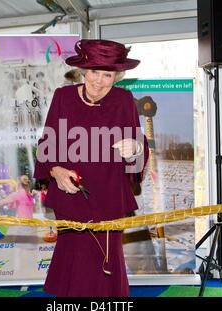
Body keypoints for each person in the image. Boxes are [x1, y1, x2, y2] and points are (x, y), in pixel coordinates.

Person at [34, 39, 149, 297]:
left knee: (107, 266)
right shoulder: (62, 97)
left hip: (110, 197)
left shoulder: (124, 99)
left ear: (117, 76)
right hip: (71, 196)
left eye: (107, 74)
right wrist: (54, 170)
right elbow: (46, 145)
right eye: (94, 71)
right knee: (74, 265)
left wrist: (136, 148)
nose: (99, 81)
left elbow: (139, 145)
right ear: (83, 70)